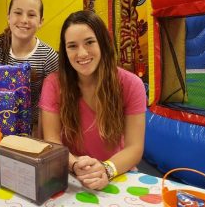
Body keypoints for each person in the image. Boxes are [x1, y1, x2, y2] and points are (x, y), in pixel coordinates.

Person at [39, 10, 146, 190]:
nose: (82, 53)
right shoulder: (53, 83)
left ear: (103, 43)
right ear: (65, 51)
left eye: (89, 42)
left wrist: (106, 169)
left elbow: (134, 148)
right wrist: (74, 165)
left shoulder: (131, 84)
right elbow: (51, 139)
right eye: (72, 46)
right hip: (71, 172)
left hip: (116, 171)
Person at [0, 0, 58, 138]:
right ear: (8, 17)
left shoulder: (48, 57)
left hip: (34, 130)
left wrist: (40, 138)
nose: (24, 20)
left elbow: (50, 105)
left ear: (41, 21)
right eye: (18, 13)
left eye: (31, 15)